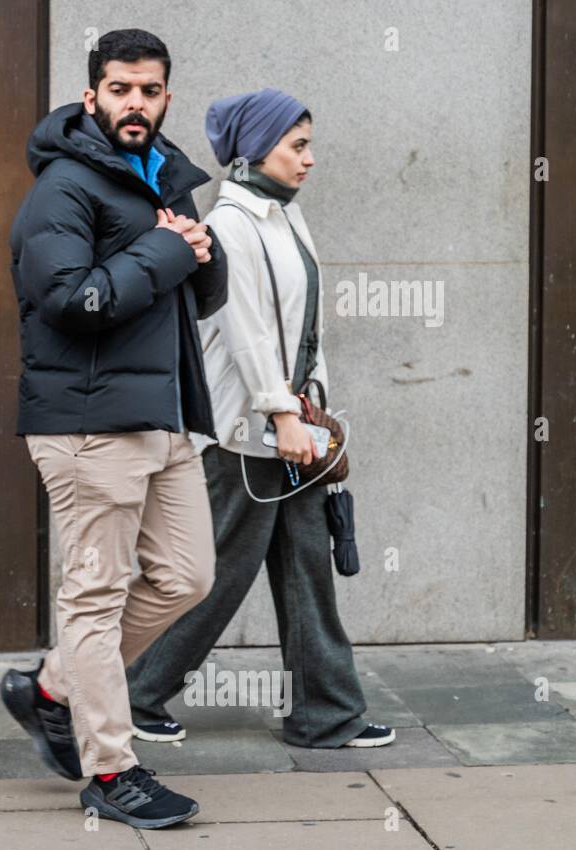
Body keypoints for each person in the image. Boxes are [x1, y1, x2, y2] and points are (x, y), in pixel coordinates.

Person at [1, 28, 227, 829]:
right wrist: (168, 250)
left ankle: (54, 686)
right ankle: (110, 770)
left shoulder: (159, 174)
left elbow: (198, 292)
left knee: (186, 578)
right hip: (89, 424)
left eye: (152, 90)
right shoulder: (63, 188)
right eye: (122, 89)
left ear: (167, 97)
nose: (137, 103)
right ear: (92, 93)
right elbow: (70, 301)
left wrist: (194, 247)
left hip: (161, 418)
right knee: (94, 596)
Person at [125, 88, 394, 750]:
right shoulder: (234, 225)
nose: (310, 159)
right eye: (297, 145)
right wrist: (281, 414)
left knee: (307, 565)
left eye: (309, 145)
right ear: (256, 149)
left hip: (288, 428)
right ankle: (131, 693)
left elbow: (304, 326)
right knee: (216, 573)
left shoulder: (282, 216)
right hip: (246, 433)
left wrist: (313, 401)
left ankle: (326, 712)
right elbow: (245, 334)